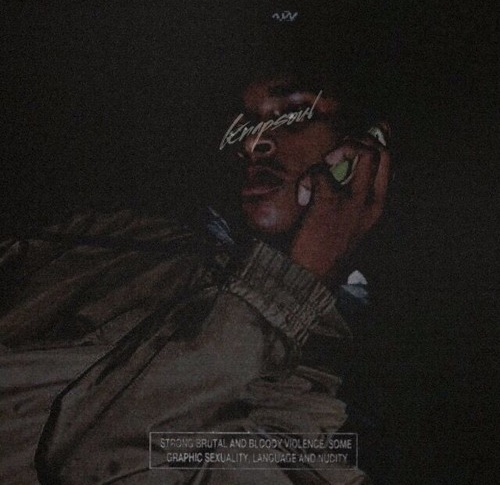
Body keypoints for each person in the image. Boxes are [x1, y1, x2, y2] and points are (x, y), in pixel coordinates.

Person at [0, 67, 391, 484]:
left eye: (294, 116)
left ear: (369, 148)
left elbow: (107, 464)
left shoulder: (355, 386)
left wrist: (294, 281)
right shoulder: (117, 236)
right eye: (243, 123)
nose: (250, 142)